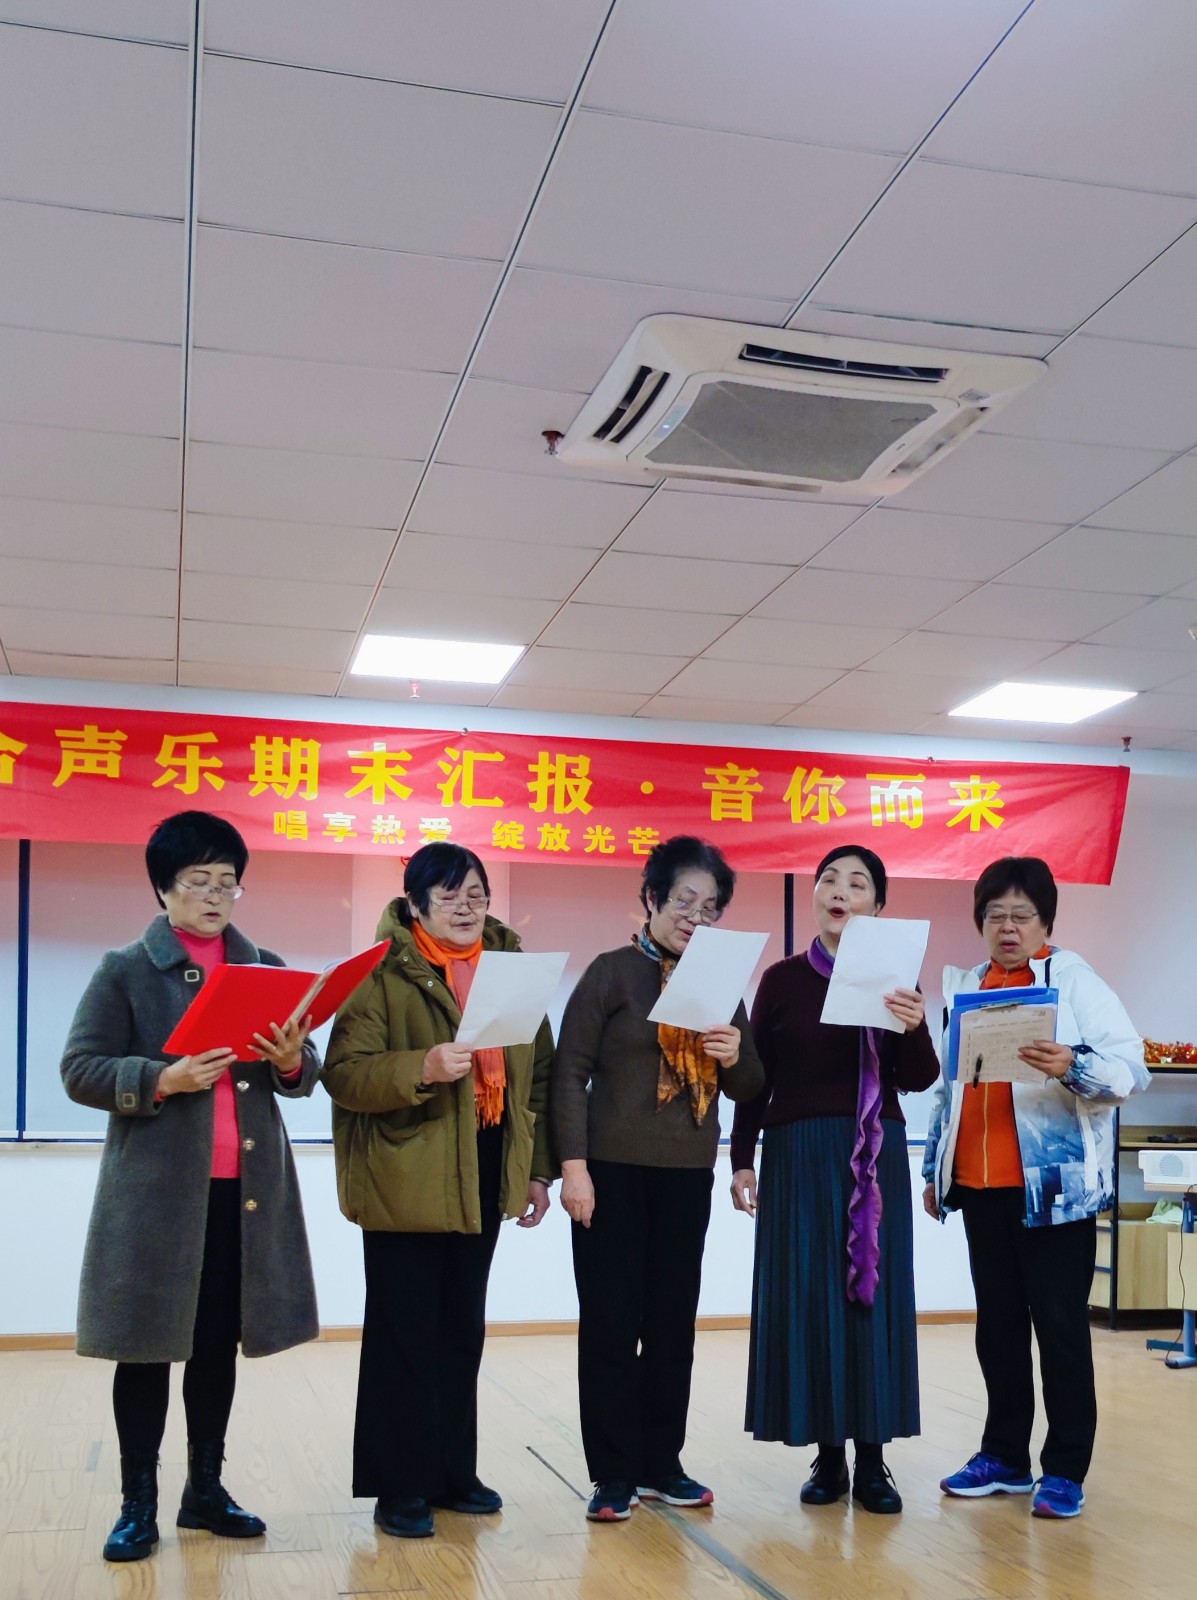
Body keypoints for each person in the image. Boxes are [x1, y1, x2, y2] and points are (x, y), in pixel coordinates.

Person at [60, 810, 320, 1565]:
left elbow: (305, 1073)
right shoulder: (124, 970)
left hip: (245, 1192)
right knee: (144, 1350)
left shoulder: (265, 967)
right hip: (155, 1198)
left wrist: (291, 1060)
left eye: (228, 882)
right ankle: (136, 1503)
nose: (215, 895)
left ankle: (204, 1489)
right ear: (163, 889)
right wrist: (161, 1079)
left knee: (215, 1348)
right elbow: (79, 1070)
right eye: (199, 881)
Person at [322, 842, 554, 1541]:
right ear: (415, 905)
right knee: (404, 1335)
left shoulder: (510, 970)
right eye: (449, 895)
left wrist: (536, 1170)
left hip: (485, 1165)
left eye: (477, 893)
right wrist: (420, 1066)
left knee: (460, 1329)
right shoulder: (379, 974)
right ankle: (400, 1486)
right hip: (405, 1174)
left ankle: (453, 1473)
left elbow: (538, 1076)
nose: (466, 906)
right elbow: (344, 1075)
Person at [924, 855, 1148, 1521]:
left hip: (1054, 1192)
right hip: (978, 1185)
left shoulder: (1072, 981)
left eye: (1021, 915)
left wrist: (1072, 1064)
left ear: (1044, 922)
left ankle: (1065, 1469)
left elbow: (1129, 1069)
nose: (1007, 927)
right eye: (995, 915)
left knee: (1059, 1331)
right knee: (996, 1331)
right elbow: (948, 1088)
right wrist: (934, 1170)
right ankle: (1004, 1457)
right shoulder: (966, 986)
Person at [552, 835, 764, 1524]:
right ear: (651, 898)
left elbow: (752, 1084)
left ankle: (661, 1464)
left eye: (709, 907)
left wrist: (733, 1054)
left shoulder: (719, 985)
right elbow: (568, 1073)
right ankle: (612, 1473)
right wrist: (573, 1169)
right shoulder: (611, 973)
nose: (695, 917)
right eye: (683, 901)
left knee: (673, 1327)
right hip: (610, 1175)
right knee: (611, 1326)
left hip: (685, 1175)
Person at [730, 845, 938, 1515]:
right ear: (815, 895)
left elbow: (920, 1077)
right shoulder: (782, 980)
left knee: (871, 1301)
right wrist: (741, 1158)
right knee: (812, 1298)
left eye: (857, 883)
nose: (839, 891)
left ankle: (873, 1460)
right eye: (828, 880)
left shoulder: (895, 979)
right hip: (799, 1156)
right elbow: (755, 1078)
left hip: (874, 1157)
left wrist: (912, 1025)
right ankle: (827, 1454)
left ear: (878, 905)